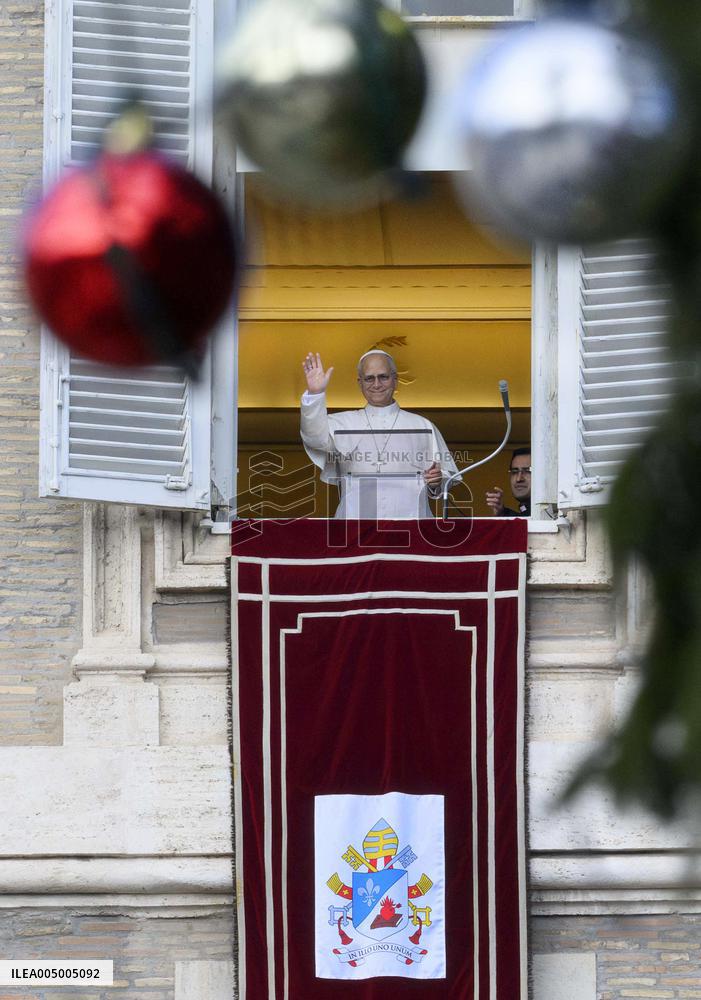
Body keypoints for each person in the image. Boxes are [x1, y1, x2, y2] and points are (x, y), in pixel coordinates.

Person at [300, 349, 458, 518]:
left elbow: (445, 476)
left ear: (395, 380)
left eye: (383, 377)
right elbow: (314, 438)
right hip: (355, 523)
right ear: (360, 383)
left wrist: (436, 482)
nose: (376, 384)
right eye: (369, 378)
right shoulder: (341, 423)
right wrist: (315, 394)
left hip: (411, 522)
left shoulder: (422, 425)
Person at [485, 448, 531, 517]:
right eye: (514, 472)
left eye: (527, 471)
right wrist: (502, 513)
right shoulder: (525, 508)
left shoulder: (547, 513)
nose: (519, 479)